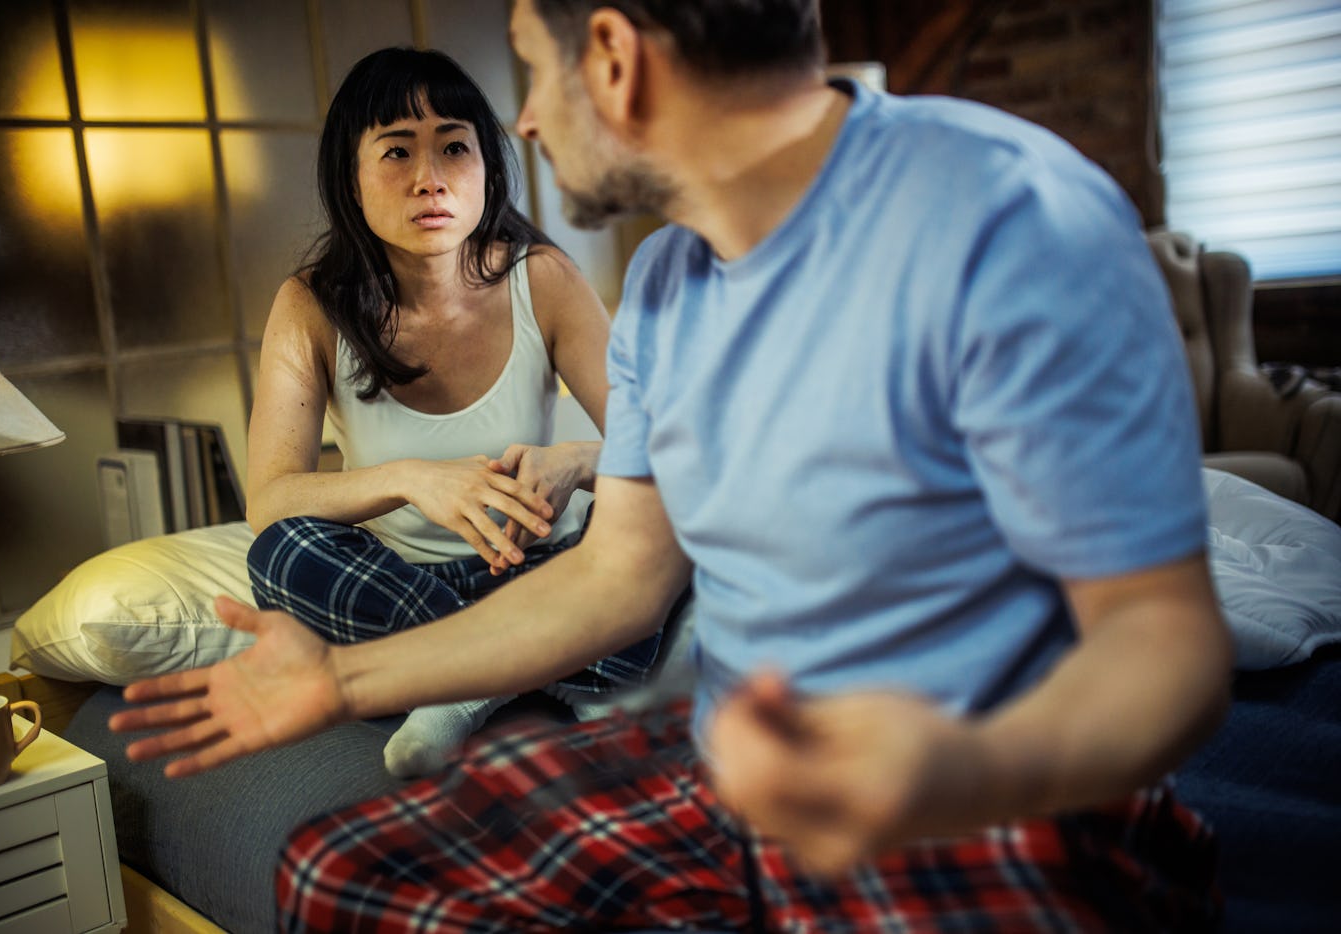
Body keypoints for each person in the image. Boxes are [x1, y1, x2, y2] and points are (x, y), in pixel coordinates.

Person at [112, 1, 1234, 930]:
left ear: (611, 56)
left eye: (532, 72)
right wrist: (343, 680)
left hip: (976, 788)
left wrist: (939, 769)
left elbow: (1166, 649)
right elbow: (616, 578)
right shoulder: (663, 284)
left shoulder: (1005, 216)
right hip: (726, 768)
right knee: (338, 872)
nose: (525, 124)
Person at [241, 45, 664, 778]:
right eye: (397, 151)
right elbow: (271, 500)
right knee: (280, 554)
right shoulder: (310, 305)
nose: (430, 178)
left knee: (680, 516)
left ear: (488, 169)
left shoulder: (544, 278)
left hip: (546, 572)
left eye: (455, 148)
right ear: (351, 178)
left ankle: (461, 684)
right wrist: (413, 479)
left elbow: (662, 450)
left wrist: (578, 460)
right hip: (402, 587)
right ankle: (547, 666)